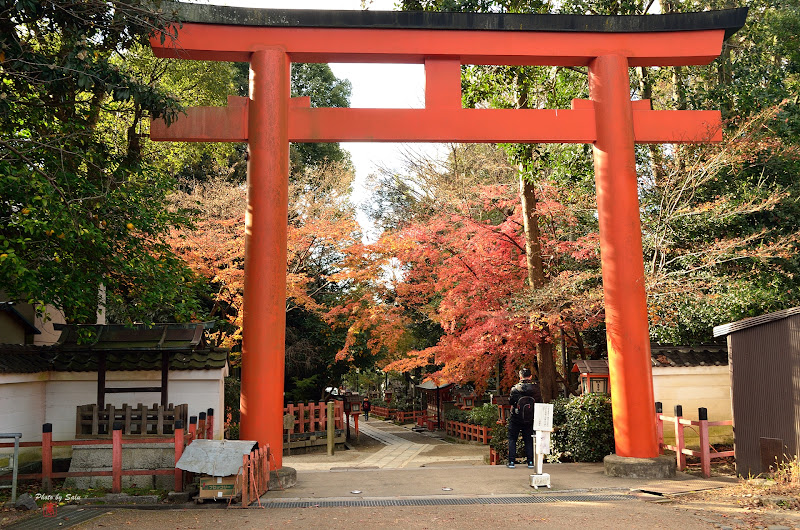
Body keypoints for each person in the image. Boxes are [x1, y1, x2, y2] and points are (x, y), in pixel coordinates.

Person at [507, 368, 542, 469]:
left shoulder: (515, 389)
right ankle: (530, 462)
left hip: (516, 418)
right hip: (530, 418)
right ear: (530, 376)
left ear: (520, 377)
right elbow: (539, 401)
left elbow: (511, 402)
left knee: (513, 439)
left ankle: (511, 462)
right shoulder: (536, 389)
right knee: (529, 440)